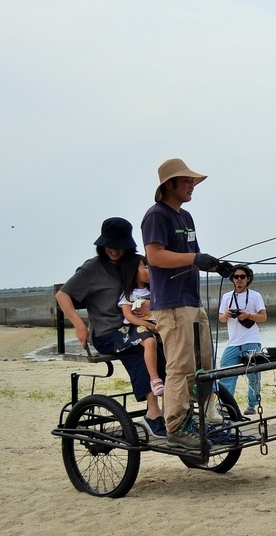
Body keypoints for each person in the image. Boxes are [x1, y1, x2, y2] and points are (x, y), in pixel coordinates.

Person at [142, 158, 233, 452]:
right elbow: (155, 257)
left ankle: (205, 413)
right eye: (186, 181)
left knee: (205, 363)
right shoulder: (157, 216)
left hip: (193, 301)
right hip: (170, 303)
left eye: (192, 181)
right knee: (180, 367)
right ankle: (176, 426)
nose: (192, 186)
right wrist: (195, 259)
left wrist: (216, 266)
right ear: (169, 185)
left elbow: (192, 256)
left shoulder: (187, 217)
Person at [55, 217, 167, 437]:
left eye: (119, 245)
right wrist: (79, 324)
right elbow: (62, 295)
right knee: (140, 348)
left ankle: (173, 406)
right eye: (110, 245)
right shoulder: (92, 268)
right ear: (102, 244)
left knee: (166, 347)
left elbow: (158, 284)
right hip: (108, 333)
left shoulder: (135, 262)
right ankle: (152, 413)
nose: (114, 250)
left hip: (137, 327)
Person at [218, 265, 267, 415]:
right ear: (232, 279)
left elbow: (263, 317)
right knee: (226, 373)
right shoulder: (227, 297)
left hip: (251, 339)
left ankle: (252, 405)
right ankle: (226, 406)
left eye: (242, 277)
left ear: (248, 279)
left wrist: (248, 315)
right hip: (233, 342)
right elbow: (220, 318)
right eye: (236, 277)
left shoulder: (255, 296)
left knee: (253, 374)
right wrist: (226, 314)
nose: (239, 279)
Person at [116, 254, 163, 397]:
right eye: (145, 267)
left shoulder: (153, 292)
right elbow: (128, 315)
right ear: (133, 272)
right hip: (135, 327)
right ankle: (155, 379)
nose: (149, 270)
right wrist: (147, 325)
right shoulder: (128, 294)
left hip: (154, 325)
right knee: (149, 342)